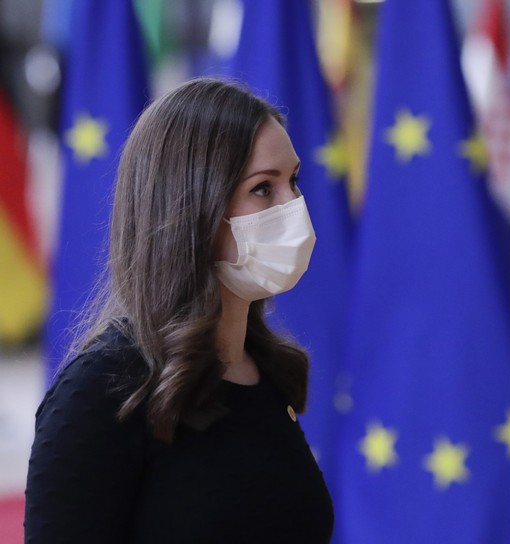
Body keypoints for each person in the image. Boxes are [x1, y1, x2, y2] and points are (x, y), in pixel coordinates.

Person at [24, 78, 333, 543]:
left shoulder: (265, 369)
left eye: (293, 181)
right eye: (264, 189)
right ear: (192, 206)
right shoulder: (102, 391)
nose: (296, 207)